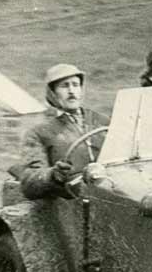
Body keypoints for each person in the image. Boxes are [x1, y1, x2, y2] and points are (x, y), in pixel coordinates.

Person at [15, 63, 110, 199]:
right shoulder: (39, 132)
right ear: (52, 93)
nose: (71, 91)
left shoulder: (103, 121)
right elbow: (29, 182)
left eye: (75, 85)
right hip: (72, 201)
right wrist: (53, 174)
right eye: (65, 86)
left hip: (110, 192)